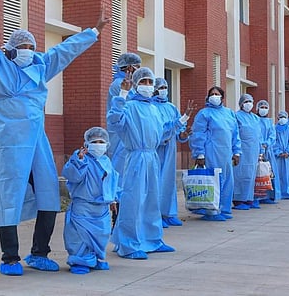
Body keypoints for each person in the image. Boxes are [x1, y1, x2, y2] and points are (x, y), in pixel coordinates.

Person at [0, 0, 110, 276]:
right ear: (12, 50)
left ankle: (39, 252)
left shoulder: (41, 67)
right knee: (9, 193)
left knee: (49, 191)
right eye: (22, 47)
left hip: (37, 137)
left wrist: (93, 32)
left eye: (31, 46)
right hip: (8, 137)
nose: (28, 51)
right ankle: (9, 257)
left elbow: (64, 52)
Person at [107, 67, 194, 259]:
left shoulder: (154, 109)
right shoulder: (128, 106)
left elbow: (164, 131)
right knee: (134, 200)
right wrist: (122, 94)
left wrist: (183, 118)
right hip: (136, 157)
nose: (147, 86)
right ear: (136, 84)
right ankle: (128, 243)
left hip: (152, 157)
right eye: (143, 82)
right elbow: (114, 122)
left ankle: (153, 239)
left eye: (149, 82)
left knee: (152, 200)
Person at [61, 127, 118, 274]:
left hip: (101, 207)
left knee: (101, 233)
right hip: (83, 205)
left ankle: (96, 257)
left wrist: (112, 199)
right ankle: (79, 260)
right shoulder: (81, 159)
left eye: (101, 141)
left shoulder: (106, 161)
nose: (98, 144)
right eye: (94, 141)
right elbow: (73, 176)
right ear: (87, 144)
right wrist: (78, 160)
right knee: (79, 235)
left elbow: (111, 182)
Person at [189, 86, 241, 220]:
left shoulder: (229, 113)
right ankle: (211, 211)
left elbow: (235, 133)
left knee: (227, 181)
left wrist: (237, 152)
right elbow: (198, 133)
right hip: (211, 151)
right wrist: (199, 153)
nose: (214, 96)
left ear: (222, 97)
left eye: (217, 94)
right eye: (212, 94)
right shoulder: (204, 113)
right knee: (213, 181)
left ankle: (224, 208)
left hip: (226, 153)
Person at [106, 53, 141, 229]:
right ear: (129, 68)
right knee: (120, 178)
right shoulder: (119, 85)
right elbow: (122, 107)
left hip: (129, 138)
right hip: (121, 138)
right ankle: (117, 218)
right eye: (137, 67)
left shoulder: (131, 86)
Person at [152, 78, 190, 228]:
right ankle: (156, 214)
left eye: (165, 86)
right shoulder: (151, 107)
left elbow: (180, 127)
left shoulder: (171, 107)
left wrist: (183, 135)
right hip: (156, 148)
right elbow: (156, 129)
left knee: (168, 181)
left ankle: (169, 213)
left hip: (170, 148)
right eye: (160, 87)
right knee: (156, 181)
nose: (163, 89)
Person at [232, 94, 263, 210]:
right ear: (241, 104)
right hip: (242, 151)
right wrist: (236, 151)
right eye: (246, 101)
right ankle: (238, 200)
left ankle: (249, 198)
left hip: (253, 152)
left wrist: (261, 151)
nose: (248, 104)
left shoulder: (255, 118)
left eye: (250, 101)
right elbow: (235, 134)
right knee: (240, 175)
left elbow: (258, 135)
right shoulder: (236, 116)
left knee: (251, 176)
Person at [255, 100, 280, 203]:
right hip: (257, 150)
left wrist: (267, 143)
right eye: (262, 107)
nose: (263, 109)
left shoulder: (270, 122)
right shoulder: (255, 120)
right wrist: (261, 145)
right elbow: (256, 133)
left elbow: (273, 135)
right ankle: (257, 196)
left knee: (269, 173)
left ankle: (269, 196)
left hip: (268, 151)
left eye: (266, 107)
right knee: (258, 173)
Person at [272, 111, 289, 199]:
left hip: (287, 157)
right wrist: (278, 152)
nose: (282, 119)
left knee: (287, 174)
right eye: (281, 117)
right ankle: (278, 192)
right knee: (277, 174)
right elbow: (273, 142)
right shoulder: (274, 129)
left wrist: (288, 152)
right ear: (278, 119)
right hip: (277, 157)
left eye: (284, 117)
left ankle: (286, 191)